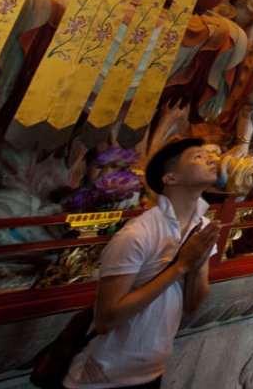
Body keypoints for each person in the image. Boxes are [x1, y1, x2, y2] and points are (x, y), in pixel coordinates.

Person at [66, 138, 221, 389]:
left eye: (210, 155)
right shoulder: (138, 233)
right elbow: (106, 319)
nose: (211, 159)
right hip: (104, 375)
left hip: (152, 369)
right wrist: (180, 266)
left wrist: (197, 263)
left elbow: (192, 306)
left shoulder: (201, 228)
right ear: (170, 178)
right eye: (198, 157)